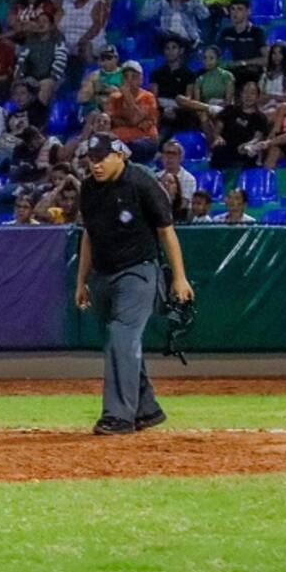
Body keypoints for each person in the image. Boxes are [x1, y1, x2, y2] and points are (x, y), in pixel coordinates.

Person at [75, 132, 194, 434]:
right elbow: (88, 235)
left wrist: (179, 277)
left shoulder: (141, 182)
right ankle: (146, 408)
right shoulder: (88, 188)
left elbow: (167, 231)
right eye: (91, 160)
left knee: (121, 334)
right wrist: (81, 280)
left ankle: (118, 416)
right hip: (103, 273)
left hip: (138, 271)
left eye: (101, 158)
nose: (96, 165)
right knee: (120, 343)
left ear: (119, 155)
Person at [103, 60, 159, 162]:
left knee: (130, 147)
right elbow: (108, 120)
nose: (129, 80)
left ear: (141, 80)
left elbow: (134, 119)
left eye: (133, 77)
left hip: (144, 140)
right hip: (119, 139)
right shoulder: (114, 98)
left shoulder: (148, 97)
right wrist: (125, 121)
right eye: (125, 77)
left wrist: (127, 96)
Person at [209, 81, 270, 170]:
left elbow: (258, 137)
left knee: (250, 152)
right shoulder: (230, 110)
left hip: (244, 148)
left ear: (257, 97)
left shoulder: (260, 117)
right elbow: (218, 129)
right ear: (241, 94)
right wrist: (217, 137)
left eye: (252, 93)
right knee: (218, 149)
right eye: (246, 92)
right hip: (226, 146)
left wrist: (248, 145)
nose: (248, 96)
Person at [175, 44, 235, 129]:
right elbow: (197, 101)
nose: (207, 61)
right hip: (206, 108)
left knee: (206, 115)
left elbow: (229, 101)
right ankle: (211, 109)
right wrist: (208, 107)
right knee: (179, 98)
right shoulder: (200, 79)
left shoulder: (227, 76)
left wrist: (219, 107)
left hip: (223, 108)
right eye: (205, 58)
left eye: (211, 58)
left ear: (218, 60)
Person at [140, 0, 208, 50]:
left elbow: (204, 15)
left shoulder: (192, 2)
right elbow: (145, 14)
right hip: (167, 39)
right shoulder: (164, 2)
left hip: (187, 40)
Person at [14, 12, 67, 104]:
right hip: (31, 77)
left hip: (52, 77)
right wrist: (18, 76)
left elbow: (60, 61)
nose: (41, 24)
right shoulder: (30, 41)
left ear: (51, 25)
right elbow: (22, 60)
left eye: (44, 21)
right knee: (21, 88)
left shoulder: (58, 41)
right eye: (39, 21)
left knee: (45, 85)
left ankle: (39, 114)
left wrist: (52, 77)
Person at [149, 38, 198, 137]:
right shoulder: (157, 73)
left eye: (174, 48)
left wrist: (174, 110)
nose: (170, 51)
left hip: (179, 109)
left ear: (181, 51)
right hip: (160, 108)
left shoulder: (189, 74)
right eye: (167, 48)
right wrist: (162, 110)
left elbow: (188, 98)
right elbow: (153, 96)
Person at [215, 0, 267, 85]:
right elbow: (216, 52)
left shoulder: (257, 32)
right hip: (229, 70)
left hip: (250, 71)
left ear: (248, 11)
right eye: (232, 9)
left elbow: (266, 59)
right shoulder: (226, 32)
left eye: (239, 9)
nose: (235, 12)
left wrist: (243, 63)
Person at [58, 0, 107, 65]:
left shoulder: (97, 3)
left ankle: (90, 74)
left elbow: (97, 25)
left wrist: (83, 39)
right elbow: (56, 23)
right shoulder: (66, 4)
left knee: (85, 47)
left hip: (90, 39)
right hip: (66, 40)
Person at [77, 45, 123, 112]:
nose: (106, 61)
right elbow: (81, 98)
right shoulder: (93, 76)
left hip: (119, 107)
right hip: (99, 110)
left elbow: (132, 95)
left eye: (109, 58)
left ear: (116, 58)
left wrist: (117, 92)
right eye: (103, 58)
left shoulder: (124, 74)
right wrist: (100, 92)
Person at [258, 41, 286, 112]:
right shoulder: (265, 75)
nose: (277, 56)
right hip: (266, 107)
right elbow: (260, 96)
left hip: (284, 109)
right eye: (274, 53)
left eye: (280, 53)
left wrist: (272, 97)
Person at [156, 138, 197, 204]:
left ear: (181, 158)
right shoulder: (156, 176)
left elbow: (184, 204)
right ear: (162, 157)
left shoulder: (189, 179)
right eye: (167, 153)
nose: (169, 158)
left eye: (174, 154)